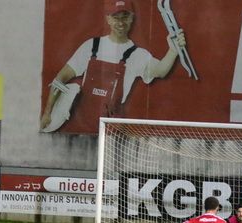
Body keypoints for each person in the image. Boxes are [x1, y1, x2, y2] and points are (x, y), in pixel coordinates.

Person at [40, 0, 187, 133]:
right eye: (116, 17)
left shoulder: (138, 55)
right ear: (108, 19)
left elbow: (160, 71)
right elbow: (60, 78)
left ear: (131, 18)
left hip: (112, 130)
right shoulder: (92, 46)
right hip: (82, 127)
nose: (121, 23)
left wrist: (173, 50)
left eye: (125, 17)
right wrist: (47, 113)